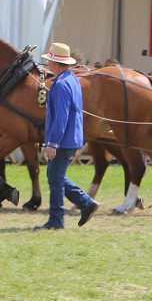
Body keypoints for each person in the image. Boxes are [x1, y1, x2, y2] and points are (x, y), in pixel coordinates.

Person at [36, 42, 98, 230]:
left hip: (63, 139)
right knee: (55, 175)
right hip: (71, 137)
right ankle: (86, 203)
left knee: (55, 177)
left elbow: (61, 117)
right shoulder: (70, 79)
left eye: (48, 61)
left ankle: (57, 219)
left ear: (54, 63)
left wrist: (52, 142)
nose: (47, 64)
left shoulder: (61, 84)